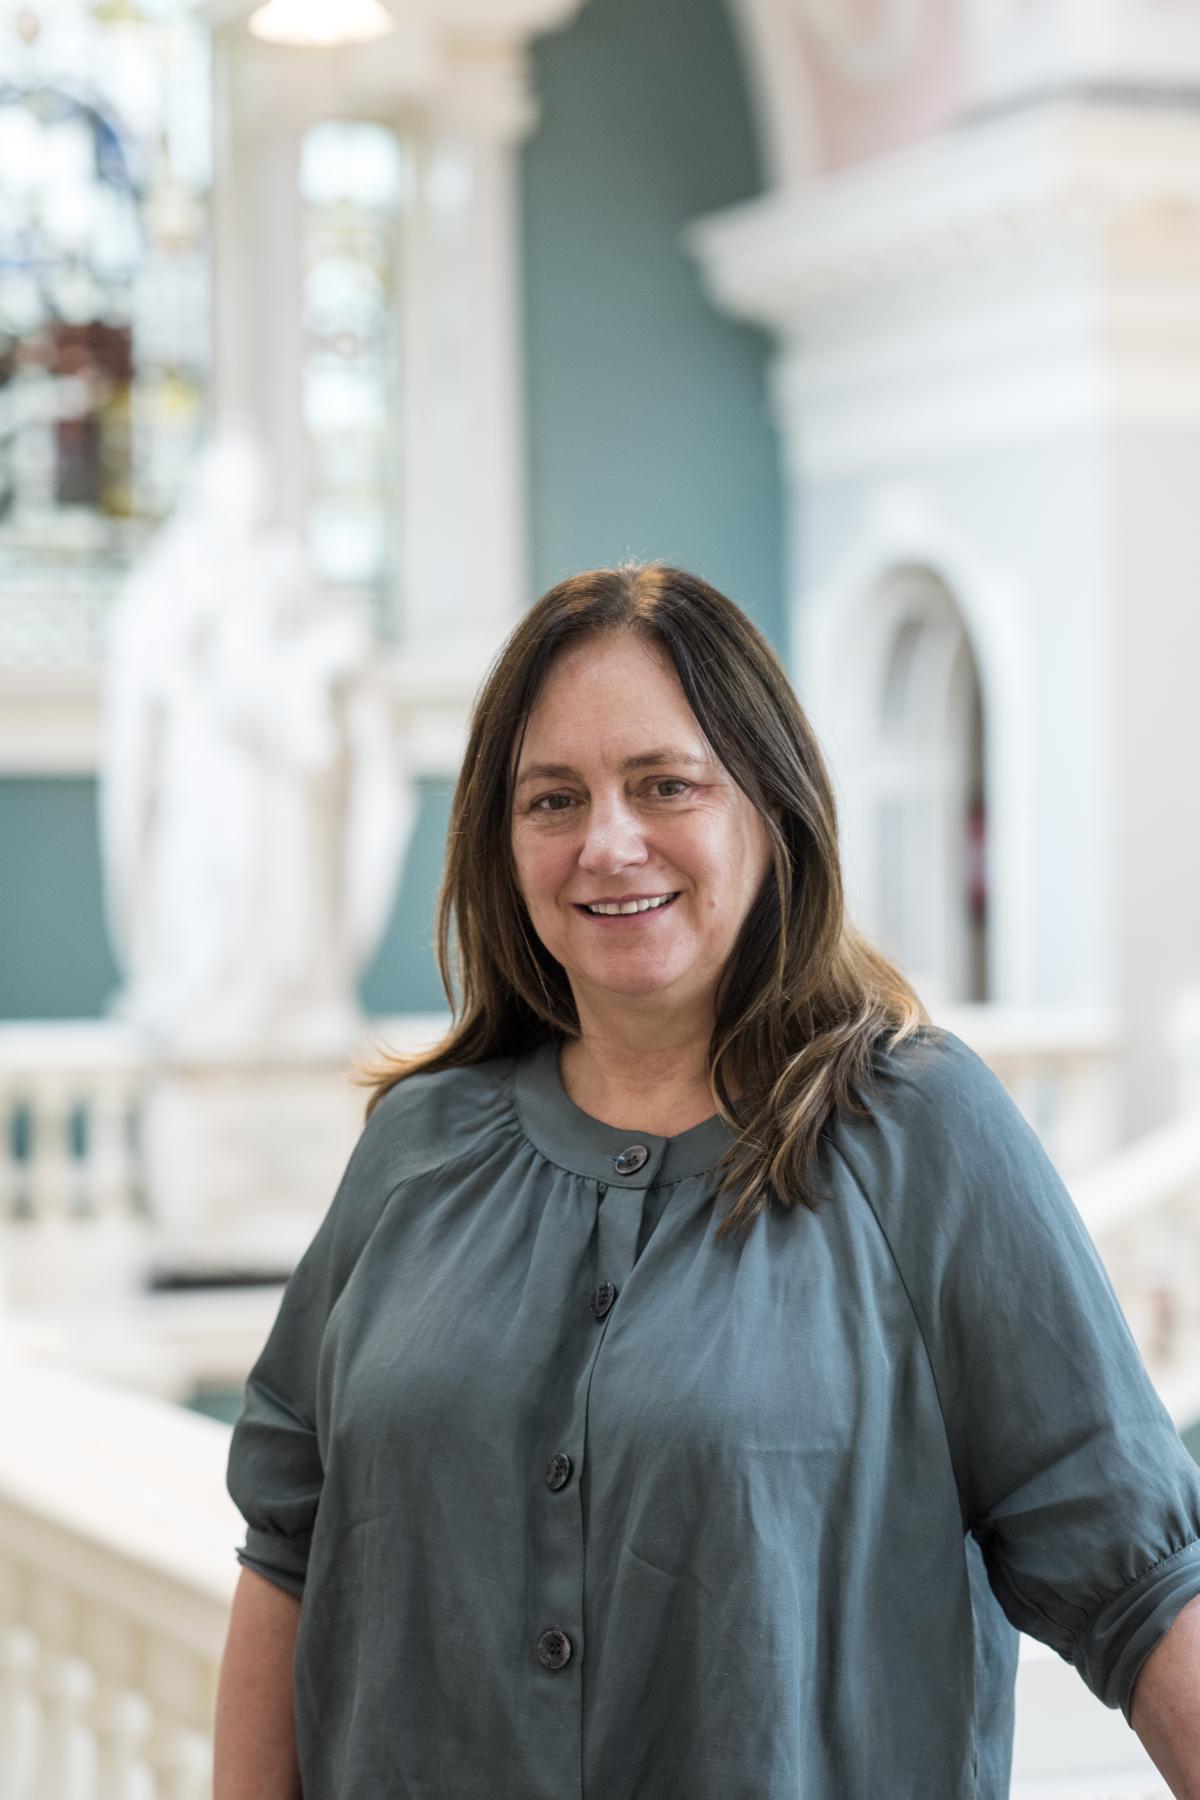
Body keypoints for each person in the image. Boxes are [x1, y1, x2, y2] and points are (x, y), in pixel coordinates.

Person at [214, 563, 1200, 1800]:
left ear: (771, 806)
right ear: (500, 843)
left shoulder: (921, 1135)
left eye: (665, 784)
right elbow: (288, 1546)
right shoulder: (417, 1147)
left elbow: (1140, 1579)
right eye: (553, 799)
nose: (607, 844)